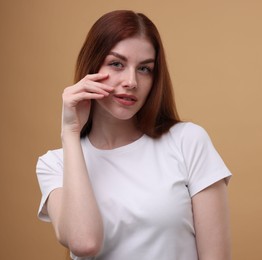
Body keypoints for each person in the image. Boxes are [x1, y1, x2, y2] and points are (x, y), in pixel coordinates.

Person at [36, 10, 232, 260]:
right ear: (91, 66)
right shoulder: (55, 164)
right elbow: (84, 243)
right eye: (117, 64)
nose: (131, 81)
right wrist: (70, 133)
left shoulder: (188, 142)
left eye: (144, 69)